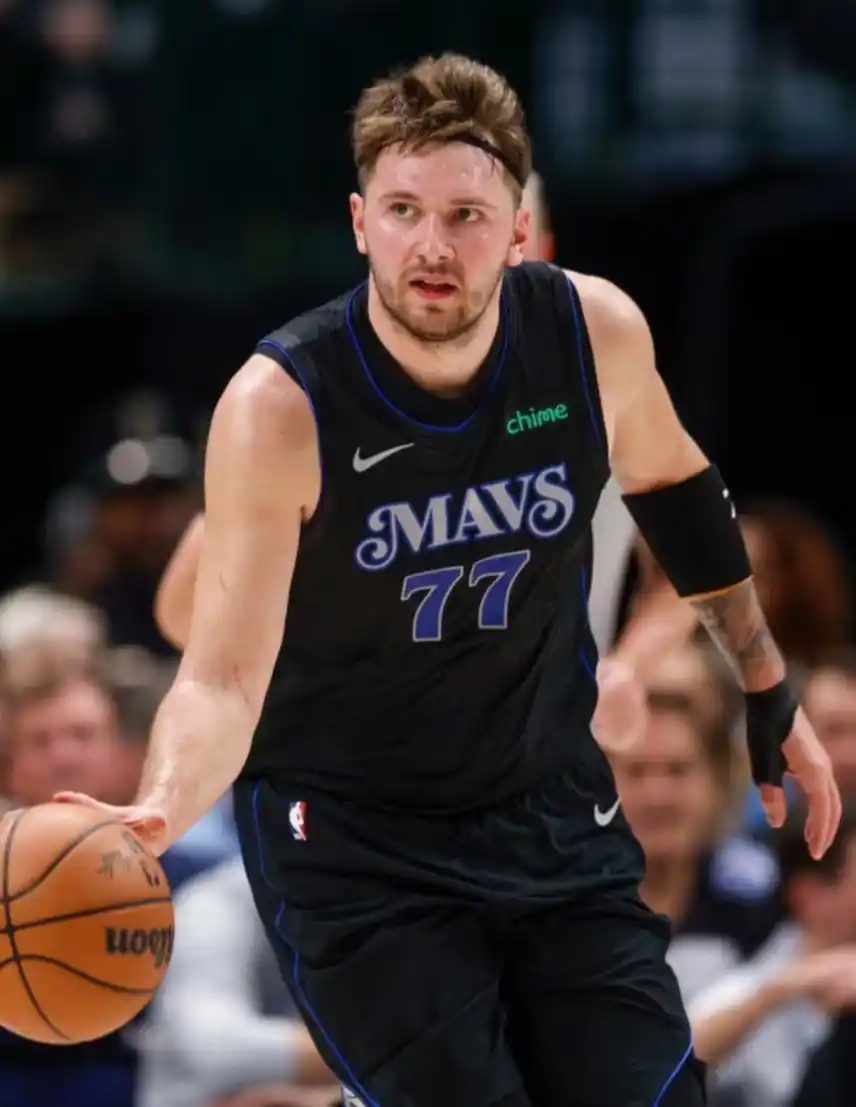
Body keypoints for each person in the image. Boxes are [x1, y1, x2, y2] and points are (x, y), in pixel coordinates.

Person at [48, 53, 840, 1107]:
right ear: (359, 222)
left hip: (545, 806)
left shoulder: (590, 334)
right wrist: (158, 805)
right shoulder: (281, 408)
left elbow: (680, 491)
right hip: (357, 843)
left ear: (519, 229)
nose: (432, 244)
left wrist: (765, 683)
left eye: (466, 215)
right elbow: (216, 672)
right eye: (403, 211)